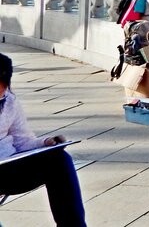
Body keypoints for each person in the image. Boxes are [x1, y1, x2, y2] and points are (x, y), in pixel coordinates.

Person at [0, 53, 87, 226]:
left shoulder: (9, 101)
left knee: (59, 160)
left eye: (3, 89)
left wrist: (46, 143)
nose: (2, 93)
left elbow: (22, 141)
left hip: (8, 166)